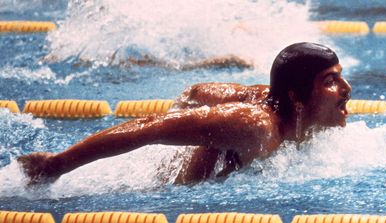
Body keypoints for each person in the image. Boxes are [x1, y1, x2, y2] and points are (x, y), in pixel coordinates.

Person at [18, 42, 351, 185]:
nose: (347, 88)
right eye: (330, 81)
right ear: (296, 97)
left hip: (221, 102)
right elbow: (150, 128)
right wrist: (58, 164)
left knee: (205, 105)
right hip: (206, 140)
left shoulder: (292, 114)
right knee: (202, 136)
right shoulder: (254, 127)